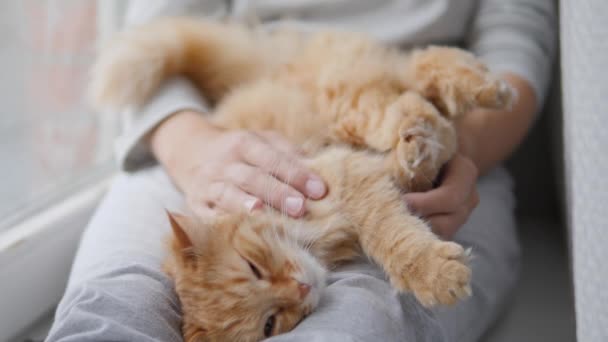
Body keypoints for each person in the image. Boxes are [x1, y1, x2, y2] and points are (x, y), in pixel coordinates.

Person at [46, 1, 556, 341]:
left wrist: (447, 144)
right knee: (110, 313)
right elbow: (153, 29)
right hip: (220, 130)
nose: (295, 292)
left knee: (358, 324)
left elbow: (517, 42)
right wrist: (196, 148)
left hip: (448, 128)